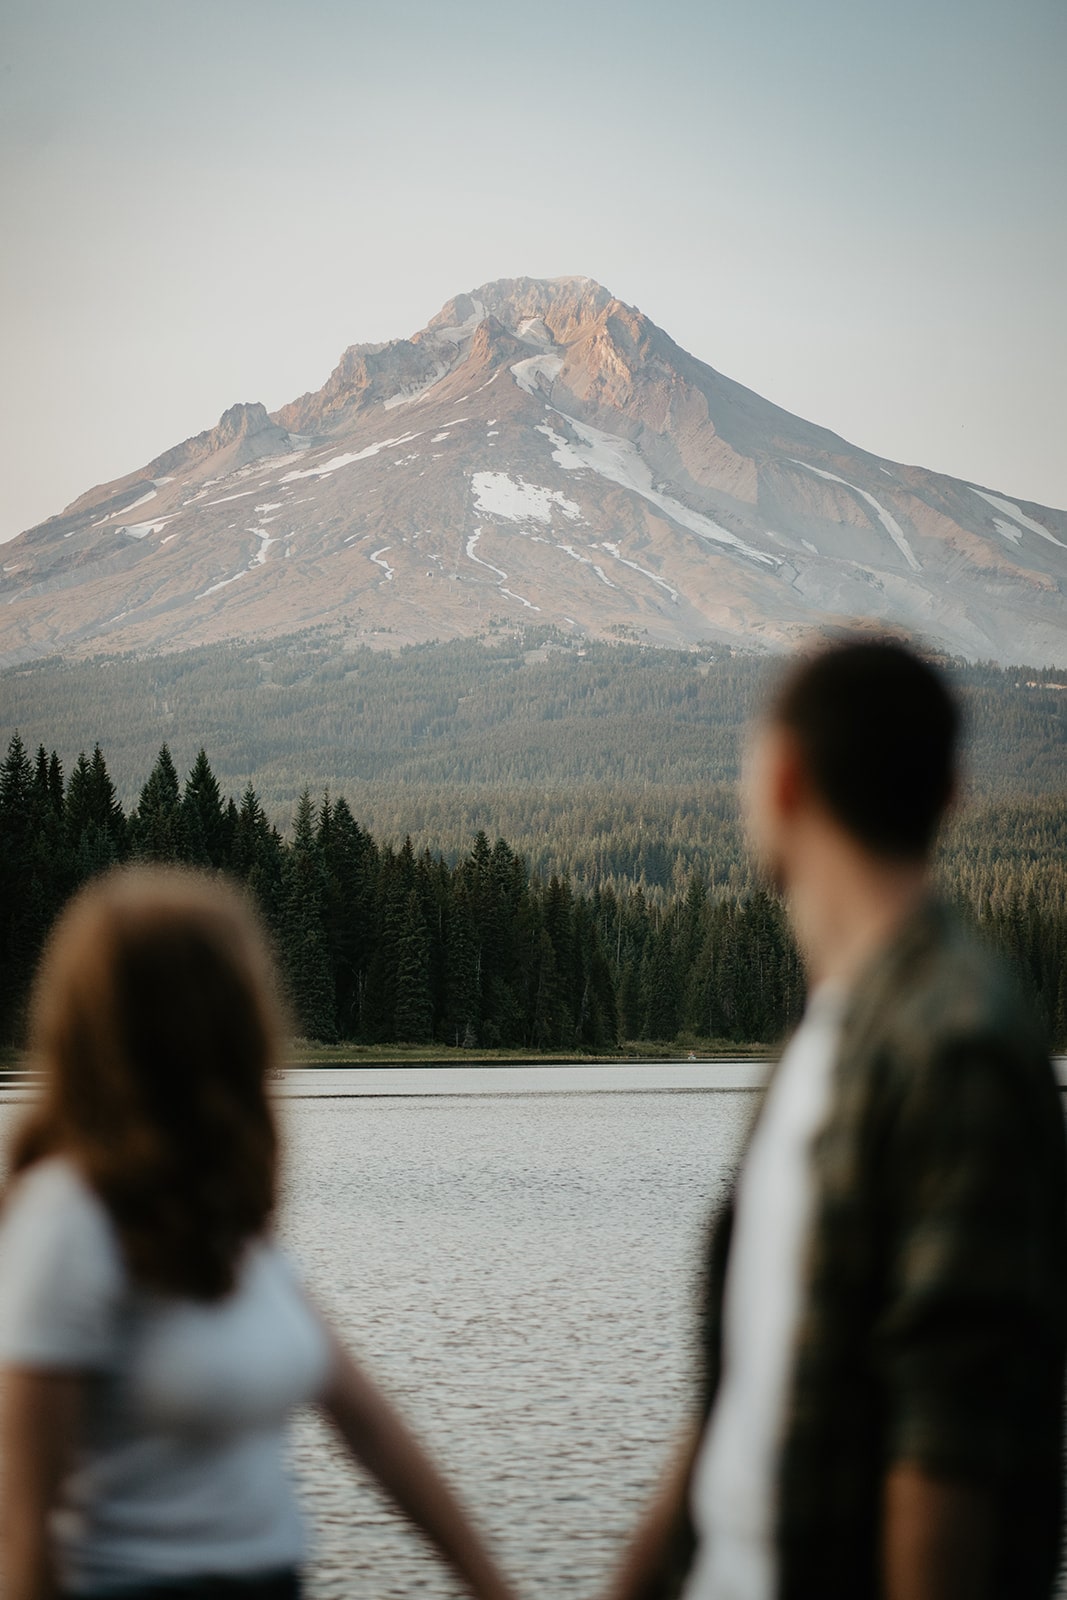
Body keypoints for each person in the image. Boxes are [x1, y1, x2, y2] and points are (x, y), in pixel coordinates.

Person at [607, 636, 1067, 1600]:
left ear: (781, 784)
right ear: (952, 794)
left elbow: (945, 1449)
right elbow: (746, 1380)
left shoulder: (956, 1048)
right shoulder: (825, 1035)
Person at [0, 868, 519, 1600]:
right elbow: (24, 1528)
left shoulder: (225, 1212)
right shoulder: (66, 1223)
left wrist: (489, 1584)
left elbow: (366, 1423)